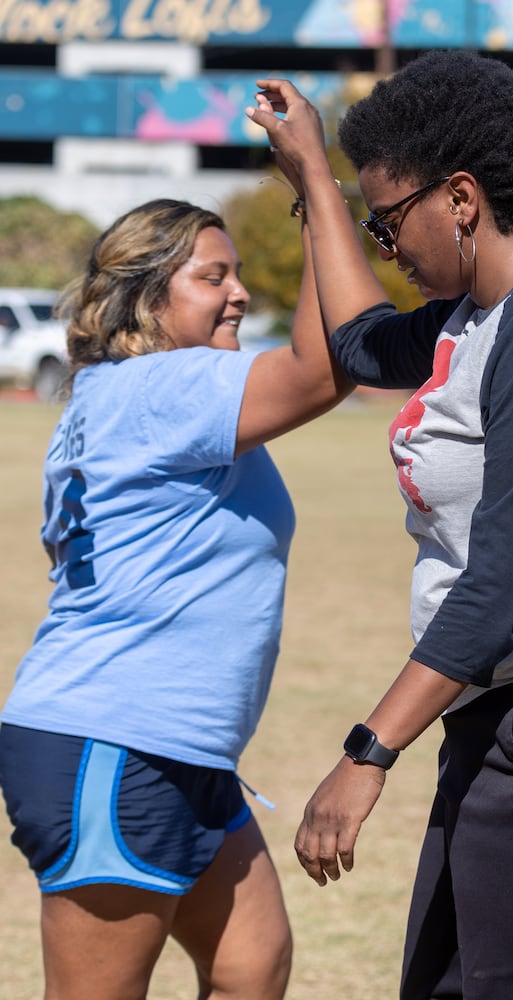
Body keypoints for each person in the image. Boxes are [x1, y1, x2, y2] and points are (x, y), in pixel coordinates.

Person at [245, 50, 513, 1000]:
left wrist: (366, 754)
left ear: (462, 197)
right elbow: (357, 341)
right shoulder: (477, 315)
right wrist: (313, 175)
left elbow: (502, 580)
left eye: (389, 222)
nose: (385, 247)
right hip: (509, 715)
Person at [0, 196, 352, 1000]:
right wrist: (317, 197)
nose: (237, 294)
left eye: (236, 276)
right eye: (211, 277)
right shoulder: (164, 388)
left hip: (174, 748)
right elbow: (322, 367)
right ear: (145, 297)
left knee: (249, 969)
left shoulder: (120, 395)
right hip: (115, 743)